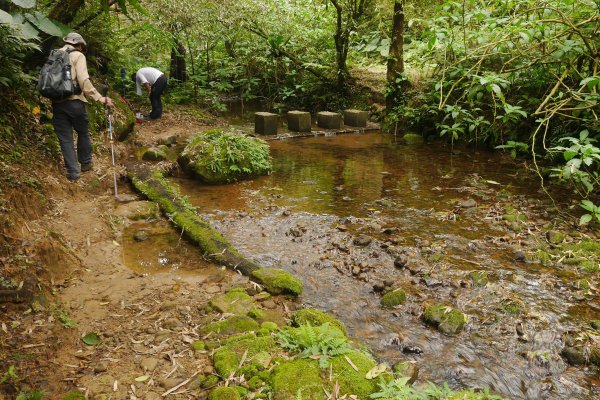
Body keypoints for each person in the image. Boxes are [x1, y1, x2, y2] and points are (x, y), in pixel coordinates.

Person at [51, 32, 114, 182]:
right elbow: (83, 79)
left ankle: (73, 173)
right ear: (79, 45)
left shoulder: (54, 54)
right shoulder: (78, 56)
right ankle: (85, 164)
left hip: (57, 102)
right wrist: (99, 97)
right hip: (74, 101)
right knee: (82, 132)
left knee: (65, 138)